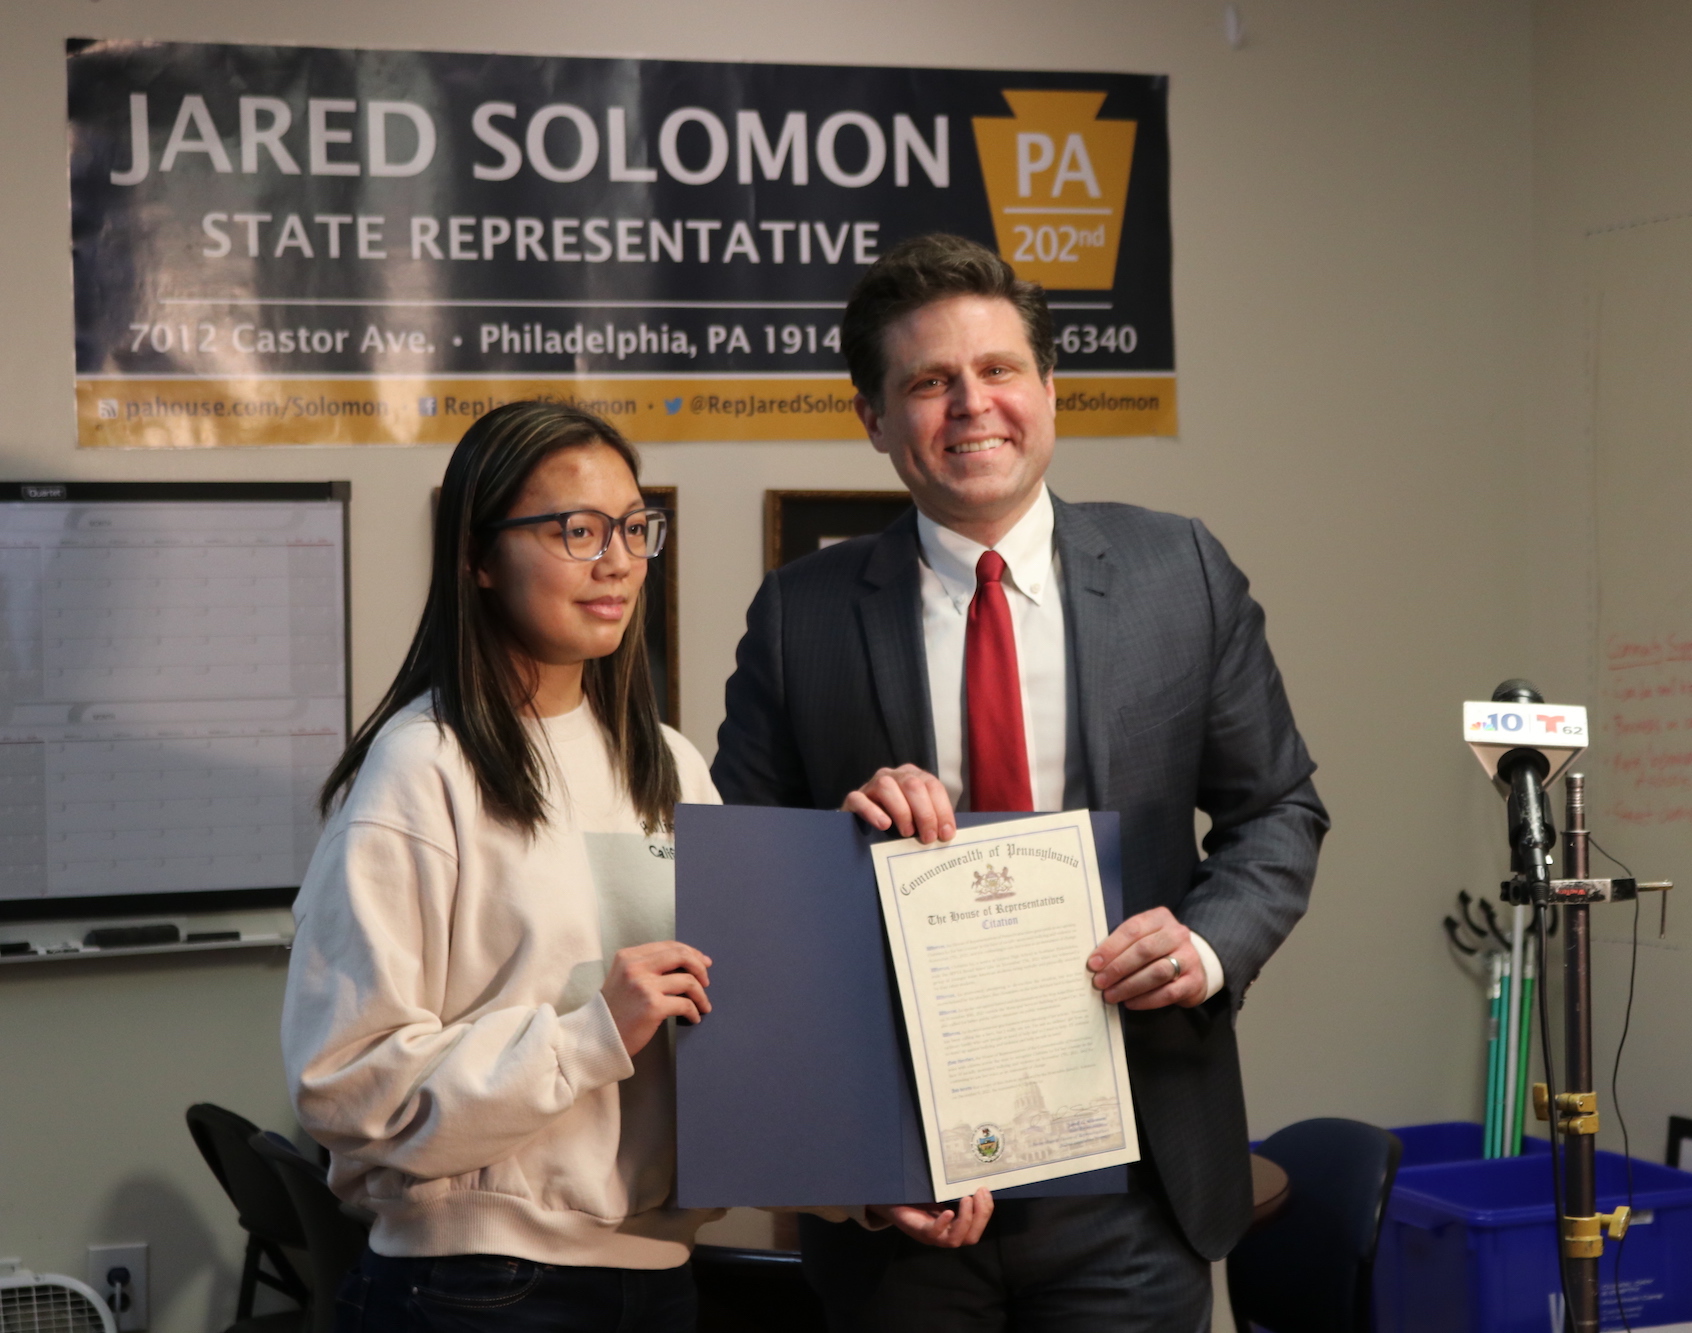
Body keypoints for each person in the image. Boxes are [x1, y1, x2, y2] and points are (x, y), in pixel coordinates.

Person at [713, 234, 1329, 1331]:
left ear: (1049, 390)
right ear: (872, 418)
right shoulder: (800, 614)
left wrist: (1203, 945)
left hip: (1137, 1187)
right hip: (906, 1193)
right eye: (927, 382)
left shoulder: (1177, 574)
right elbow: (745, 905)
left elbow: (1276, 808)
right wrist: (841, 841)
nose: (971, 406)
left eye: (997, 370)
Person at [282, 402, 722, 1332]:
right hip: (479, 1285)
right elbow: (344, 1080)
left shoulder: (672, 763)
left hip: (663, 1273)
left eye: (635, 527)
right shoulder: (423, 765)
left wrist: (861, 1181)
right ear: (478, 558)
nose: (617, 560)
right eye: (577, 529)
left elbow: (738, 1032)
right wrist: (592, 1031)